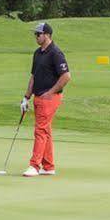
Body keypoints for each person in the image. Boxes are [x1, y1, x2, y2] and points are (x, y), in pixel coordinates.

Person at [21, 20, 70, 177]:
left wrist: (51, 92)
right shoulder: (37, 53)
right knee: (45, 130)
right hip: (38, 97)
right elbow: (33, 77)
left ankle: (34, 165)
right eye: (35, 34)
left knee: (40, 130)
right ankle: (48, 167)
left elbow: (66, 76)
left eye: (38, 34)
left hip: (50, 98)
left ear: (47, 35)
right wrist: (26, 97)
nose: (36, 36)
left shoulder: (56, 53)